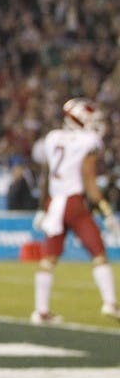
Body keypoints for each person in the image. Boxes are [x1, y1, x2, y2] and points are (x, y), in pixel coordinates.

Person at [30, 98, 120, 324]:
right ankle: (110, 303)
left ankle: (40, 311)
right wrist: (105, 210)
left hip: (54, 202)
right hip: (74, 203)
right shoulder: (87, 141)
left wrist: (42, 208)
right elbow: (89, 180)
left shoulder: (52, 138)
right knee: (98, 253)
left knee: (48, 258)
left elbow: (46, 176)